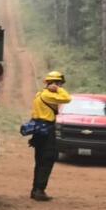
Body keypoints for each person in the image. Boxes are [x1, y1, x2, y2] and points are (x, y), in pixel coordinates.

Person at [28, 71, 71, 202]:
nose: (61, 87)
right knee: (47, 160)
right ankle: (39, 190)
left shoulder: (39, 94)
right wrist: (58, 89)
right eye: (59, 84)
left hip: (39, 130)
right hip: (47, 129)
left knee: (40, 161)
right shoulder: (47, 95)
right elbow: (67, 98)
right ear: (54, 83)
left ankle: (35, 190)